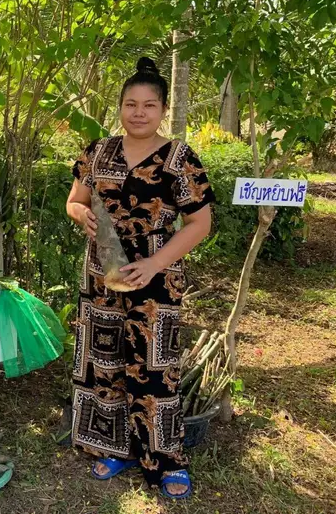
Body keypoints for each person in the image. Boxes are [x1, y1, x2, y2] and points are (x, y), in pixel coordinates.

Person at [66, 57, 214, 500]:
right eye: (130, 104)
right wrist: (82, 215)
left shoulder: (180, 159)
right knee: (104, 362)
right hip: (101, 275)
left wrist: (153, 264)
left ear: (163, 109)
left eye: (149, 105)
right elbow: (75, 200)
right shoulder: (96, 152)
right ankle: (114, 447)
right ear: (120, 107)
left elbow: (200, 223)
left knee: (155, 370)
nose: (139, 112)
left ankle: (165, 458)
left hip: (156, 277)